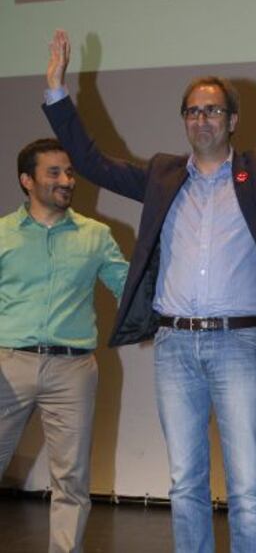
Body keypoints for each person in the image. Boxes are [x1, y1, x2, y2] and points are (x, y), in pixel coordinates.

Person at [42, 28, 256, 552]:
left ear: (232, 121)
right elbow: (93, 162)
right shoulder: (162, 176)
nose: (201, 119)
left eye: (211, 111)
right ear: (183, 121)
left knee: (249, 487)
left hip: (239, 345)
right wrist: (56, 92)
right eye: (192, 111)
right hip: (174, 347)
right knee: (185, 484)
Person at [0, 138, 129, 553]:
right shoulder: (2, 234)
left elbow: (129, 288)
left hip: (72, 370)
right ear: (27, 180)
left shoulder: (96, 235)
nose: (66, 180)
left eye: (69, 172)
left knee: (71, 481)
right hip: (8, 363)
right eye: (53, 172)